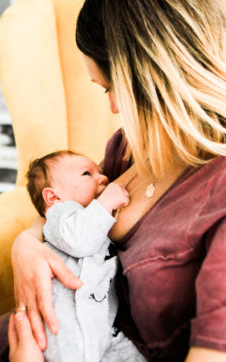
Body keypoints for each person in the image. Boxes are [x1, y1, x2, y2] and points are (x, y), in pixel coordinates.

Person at [0, 0, 226, 361]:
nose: (114, 107)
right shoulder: (135, 145)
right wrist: (25, 246)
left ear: (157, 68)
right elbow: (68, 215)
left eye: (109, 86)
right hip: (37, 334)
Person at [22, 149, 146, 361]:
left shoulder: (92, 218)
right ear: (53, 197)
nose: (104, 177)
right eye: (87, 174)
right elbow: (80, 240)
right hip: (64, 323)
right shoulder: (60, 215)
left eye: (99, 172)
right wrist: (106, 202)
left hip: (103, 327)